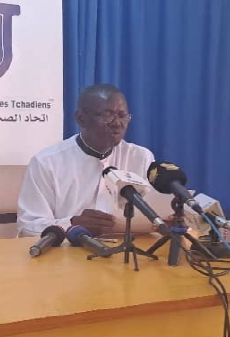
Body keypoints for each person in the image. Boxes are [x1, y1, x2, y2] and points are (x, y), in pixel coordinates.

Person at [17, 84, 155, 237]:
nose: (117, 123)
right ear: (81, 119)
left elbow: (153, 215)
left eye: (122, 116)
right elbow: (28, 227)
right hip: (69, 248)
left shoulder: (140, 157)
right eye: (107, 115)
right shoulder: (46, 163)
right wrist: (72, 224)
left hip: (127, 247)